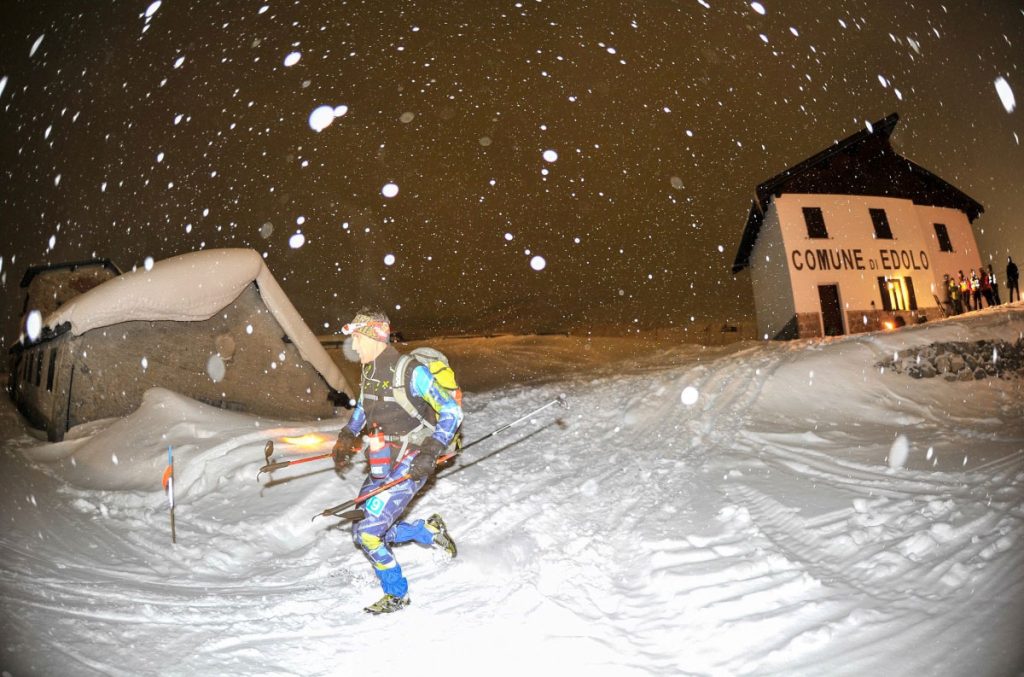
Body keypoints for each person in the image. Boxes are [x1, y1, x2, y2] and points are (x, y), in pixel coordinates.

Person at [332, 309, 463, 614]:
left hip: (414, 457)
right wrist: (348, 433)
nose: (353, 345)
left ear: (374, 336)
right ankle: (428, 532)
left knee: (367, 532)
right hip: (382, 457)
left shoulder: (411, 371)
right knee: (364, 527)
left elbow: (451, 412)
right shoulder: (370, 371)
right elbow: (365, 406)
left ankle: (397, 594)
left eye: (357, 337)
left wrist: (430, 452)